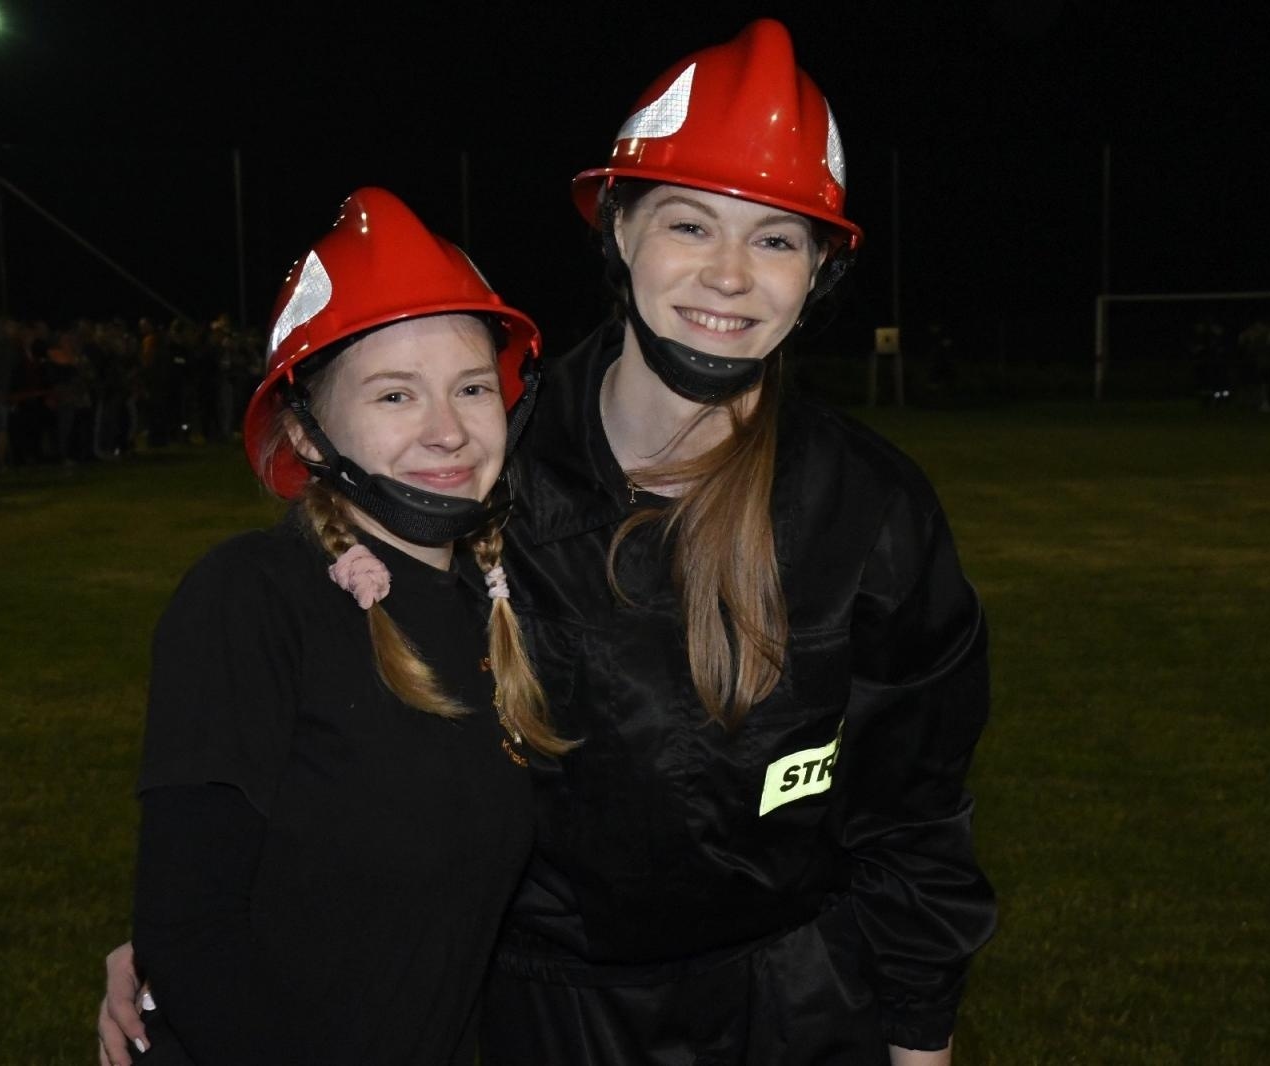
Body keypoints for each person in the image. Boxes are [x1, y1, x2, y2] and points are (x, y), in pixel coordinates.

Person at [102, 20, 993, 1066]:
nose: (730, 276)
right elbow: (340, 739)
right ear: (618, 230)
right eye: (690, 224)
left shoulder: (872, 510)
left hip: (797, 1010)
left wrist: (919, 1042)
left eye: (776, 238)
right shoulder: (483, 468)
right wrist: (186, 933)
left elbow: (916, 814)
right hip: (538, 1022)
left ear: (818, 273)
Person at [103, 187, 568, 1066]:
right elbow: (191, 930)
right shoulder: (252, 599)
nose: (448, 429)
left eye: (471, 387)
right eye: (395, 396)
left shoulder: (500, 607)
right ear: (308, 434)